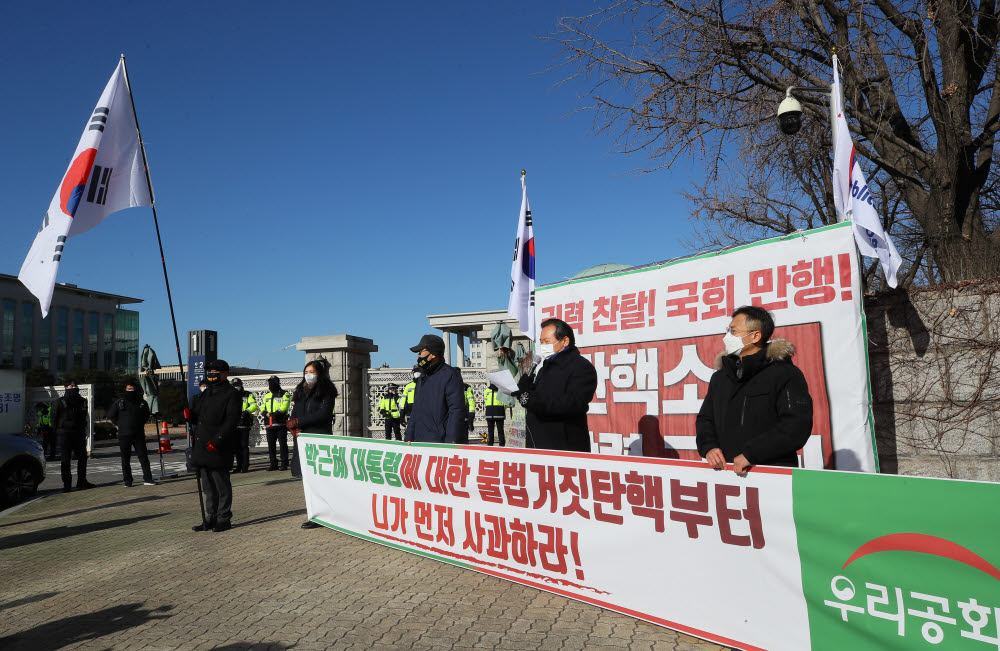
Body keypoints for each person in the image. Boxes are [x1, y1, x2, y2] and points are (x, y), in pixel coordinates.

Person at [696, 306, 813, 474]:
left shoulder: (785, 374)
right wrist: (709, 447)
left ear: (755, 336)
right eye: (728, 331)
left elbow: (796, 426)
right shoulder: (720, 378)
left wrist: (753, 453)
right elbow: (705, 419)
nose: (726, 337)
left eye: (733, 331)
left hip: (770, 473)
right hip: (725, 473)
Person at [514, 318, 598, 452]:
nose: (543, 345)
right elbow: (539, 397)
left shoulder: (582, 367)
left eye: (547, 341)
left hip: (564, 445)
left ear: (565, 341)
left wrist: (531, 399)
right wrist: (525, 389)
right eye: (541, 341)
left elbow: (572, 403)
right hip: (537, 442)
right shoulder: (544, 368)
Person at [189, 359, 242, 532]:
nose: (211, 375)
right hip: (202, 444)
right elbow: (198, 415)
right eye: (209, 372)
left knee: (221, 483)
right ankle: (210, 517)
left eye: (215, 372)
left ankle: (223, 518)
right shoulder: (207, 392)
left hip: (219, 445)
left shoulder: (231, 394)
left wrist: (218, 440)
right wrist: (189, 414)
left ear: (225, 373)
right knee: (207, 484)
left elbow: (231, 420)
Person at [287, 359, 338, 529]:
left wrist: (299, 421)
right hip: (302, 440)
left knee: (320, 480)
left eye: (312, 372)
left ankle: (324, 514)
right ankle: (314, 513)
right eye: (306, 372)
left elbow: (323, 415)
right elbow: (294, 413)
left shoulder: (327, 391)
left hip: (318, 439)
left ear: (320, 374)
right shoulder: (300, 391)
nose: (308, 375)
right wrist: (293, 425)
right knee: (307, 480)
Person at [403, 334, 466, 444]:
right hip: (419, 440)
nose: (418, 356)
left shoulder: (450, 375)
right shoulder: (423, 377)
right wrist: (409, 435)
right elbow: (416, 408)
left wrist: (451, 442)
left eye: (421, 351)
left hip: (439, 442)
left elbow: (456, 410)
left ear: (433, 354)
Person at [107, 379, 156, 487]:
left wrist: (139, 423)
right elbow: (111, 415)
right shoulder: (119, 402)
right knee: (125, 459)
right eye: (128, 389)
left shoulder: (141, 402)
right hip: (124, 434)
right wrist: (120, 424)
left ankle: (148, 479)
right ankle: (128, 481)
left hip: (138, 434)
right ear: (125, 389)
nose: (130, 391)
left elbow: (146, 415)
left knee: (143, 457)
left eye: (132, 389)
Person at [50, 380, 93, 492]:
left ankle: (82, 481)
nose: (74, 387)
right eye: (71, 386)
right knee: (65, 459)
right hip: (65, 434)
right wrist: (57, 433)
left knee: (83, 458)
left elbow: (84, 417)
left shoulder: (82, 401)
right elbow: (53, 420)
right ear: (66, 387)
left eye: (75, 385)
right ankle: (67, 484)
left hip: (79, 433)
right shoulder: (59, 402)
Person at [260, 376, 291, 471]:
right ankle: (273, 464)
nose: (270, 385)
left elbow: (285, 406)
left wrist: (275, 414)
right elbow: (262, 407)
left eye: (272, 383)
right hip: (269, 424)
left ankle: (284, 463)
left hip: (280, 423)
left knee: (283, 445)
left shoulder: (285, 394)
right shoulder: (267, 395)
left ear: (277, 383)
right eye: (269, 383)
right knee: (271, 446)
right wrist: (265, 413)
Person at [231, 378, 258, 473]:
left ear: (241, 385)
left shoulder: (247, 394)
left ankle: (245, 466)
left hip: (244, 424)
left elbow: (254, 405)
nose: (236, 386)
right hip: (234, 425)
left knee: (244, 446)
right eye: (234, 385)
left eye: (238, 384)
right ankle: (238, 466)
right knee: (236, 447)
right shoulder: (230, 395)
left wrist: (246, 412)